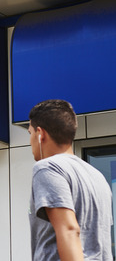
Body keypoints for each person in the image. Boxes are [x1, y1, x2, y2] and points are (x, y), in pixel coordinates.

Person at [28, 99, 113, 261]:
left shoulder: (47, 168)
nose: (30, 140)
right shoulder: (97, 176)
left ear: (40, 134)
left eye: (30, 133)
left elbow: (69, 229)